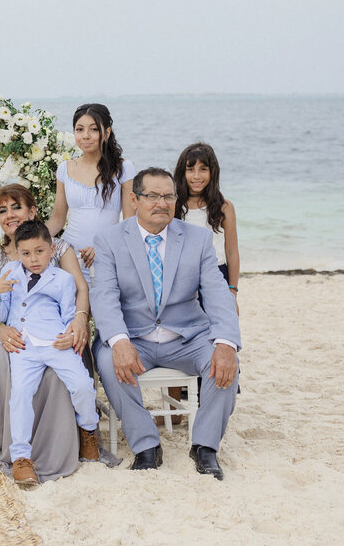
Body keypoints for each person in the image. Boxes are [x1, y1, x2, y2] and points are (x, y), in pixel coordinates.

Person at [0, 183, 119, 481]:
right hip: (20, 336)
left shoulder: (57, 248)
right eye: (2, 210)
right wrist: (0, 328)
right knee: (3, 363)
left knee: (77, 381)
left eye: (16, 207)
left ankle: (84, 433)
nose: (9, 215)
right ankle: (9, 447)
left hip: (58, 334)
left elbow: (78, 290)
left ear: (33, 211)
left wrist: (79, 322)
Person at [90, 167, 241, 480]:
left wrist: (226, 342)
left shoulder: (198, 239)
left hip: (187, 336)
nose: (162, 203)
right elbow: (104, 297)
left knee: (227, 361)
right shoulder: (110, 240)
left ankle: (204, 446)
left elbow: (217, 293)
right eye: (153, 196)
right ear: (134, 200)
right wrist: (119, 342)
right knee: (108, 360)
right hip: (134, 337)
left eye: (169, 196)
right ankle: (146, 446)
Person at [0, 221, 100, 486]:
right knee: (21, 394)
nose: (33, 259)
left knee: (83, 385)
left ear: (51, 249)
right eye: (26, 253)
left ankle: (88, 429)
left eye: (39, 251)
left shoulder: (63, 279)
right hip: (23, 346)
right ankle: (21, 458)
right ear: (17, 252)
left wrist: (70, 336)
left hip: (56, 341)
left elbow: (70, 314)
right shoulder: (10, 273)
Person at [46, 103, 135, 285]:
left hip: (108, 256)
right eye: (79, 129)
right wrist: (29, 242)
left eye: (94, 129)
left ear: (107, 132)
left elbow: (129, 223)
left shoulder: (124, 168)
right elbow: (58, 220)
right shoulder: (65, 168)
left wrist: (104, 247)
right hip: (68, 257)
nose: (85, 135)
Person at [174, 142, 240, 307]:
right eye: (190, 169)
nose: (196, 176)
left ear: (213, 172)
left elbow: (231, 251)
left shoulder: (224, 207)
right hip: (181, 276)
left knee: (219, 327)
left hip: (216, 274)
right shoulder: (173, 205)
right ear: (182, 173)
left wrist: (232, 290)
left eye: (203, 169)